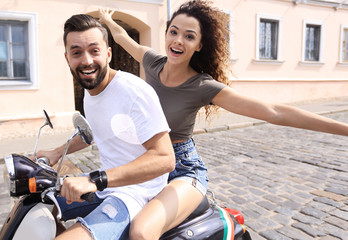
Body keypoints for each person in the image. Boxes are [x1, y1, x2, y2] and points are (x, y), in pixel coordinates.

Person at [99, 1, 348, 239]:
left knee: (142, 232)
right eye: (173, 32)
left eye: (189, 36)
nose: (177, 40)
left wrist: (343, 128)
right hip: (148, 162)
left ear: (199, 45)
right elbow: (122, 38)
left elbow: (273, 111)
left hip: (182, 169)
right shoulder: (152, 62)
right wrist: (108, 20)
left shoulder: (202, 85)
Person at [35, 13, 175, 240]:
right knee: (38, 208)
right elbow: (95, 133)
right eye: (77, 52)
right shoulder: (90, 94)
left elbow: (165, 158)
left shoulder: (133, 91)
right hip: (105, 185)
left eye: (94, 50)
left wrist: (94, 180)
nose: (87, 60)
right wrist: (55, 152)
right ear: (67, 58)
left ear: (108, 54)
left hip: (136, 193)